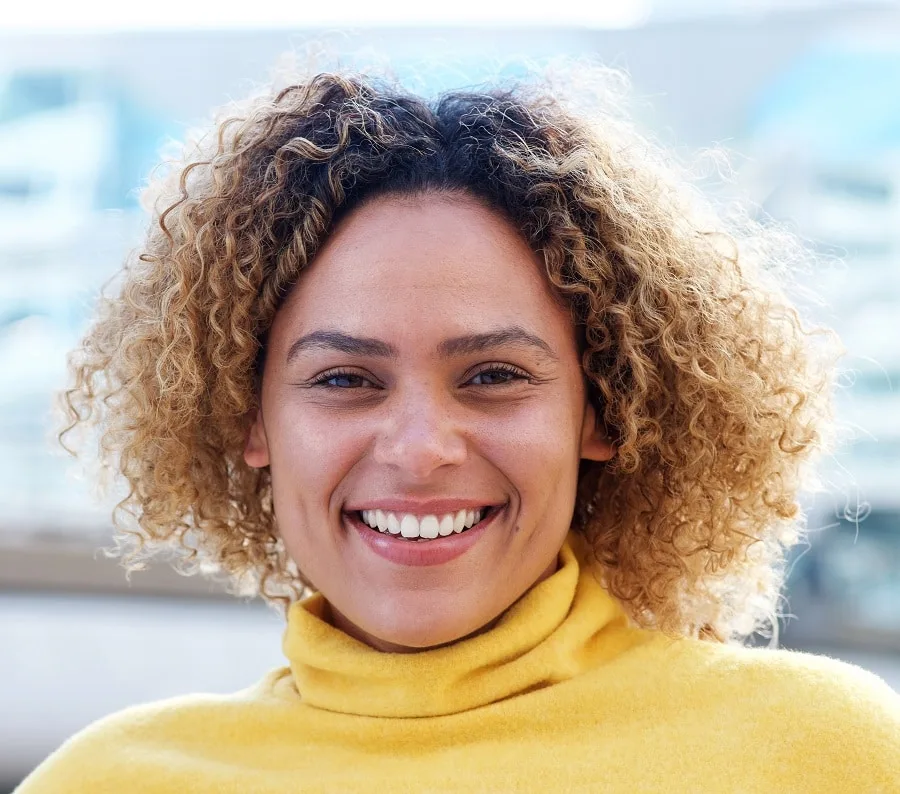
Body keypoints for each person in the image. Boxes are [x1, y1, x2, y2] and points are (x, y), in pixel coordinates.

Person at [16, 60, 900, 793]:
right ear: (250, 420)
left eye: (492, 376)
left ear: (605, 408)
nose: (419, 448)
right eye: (345, 380)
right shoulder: (108, 781)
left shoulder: (823, 755)